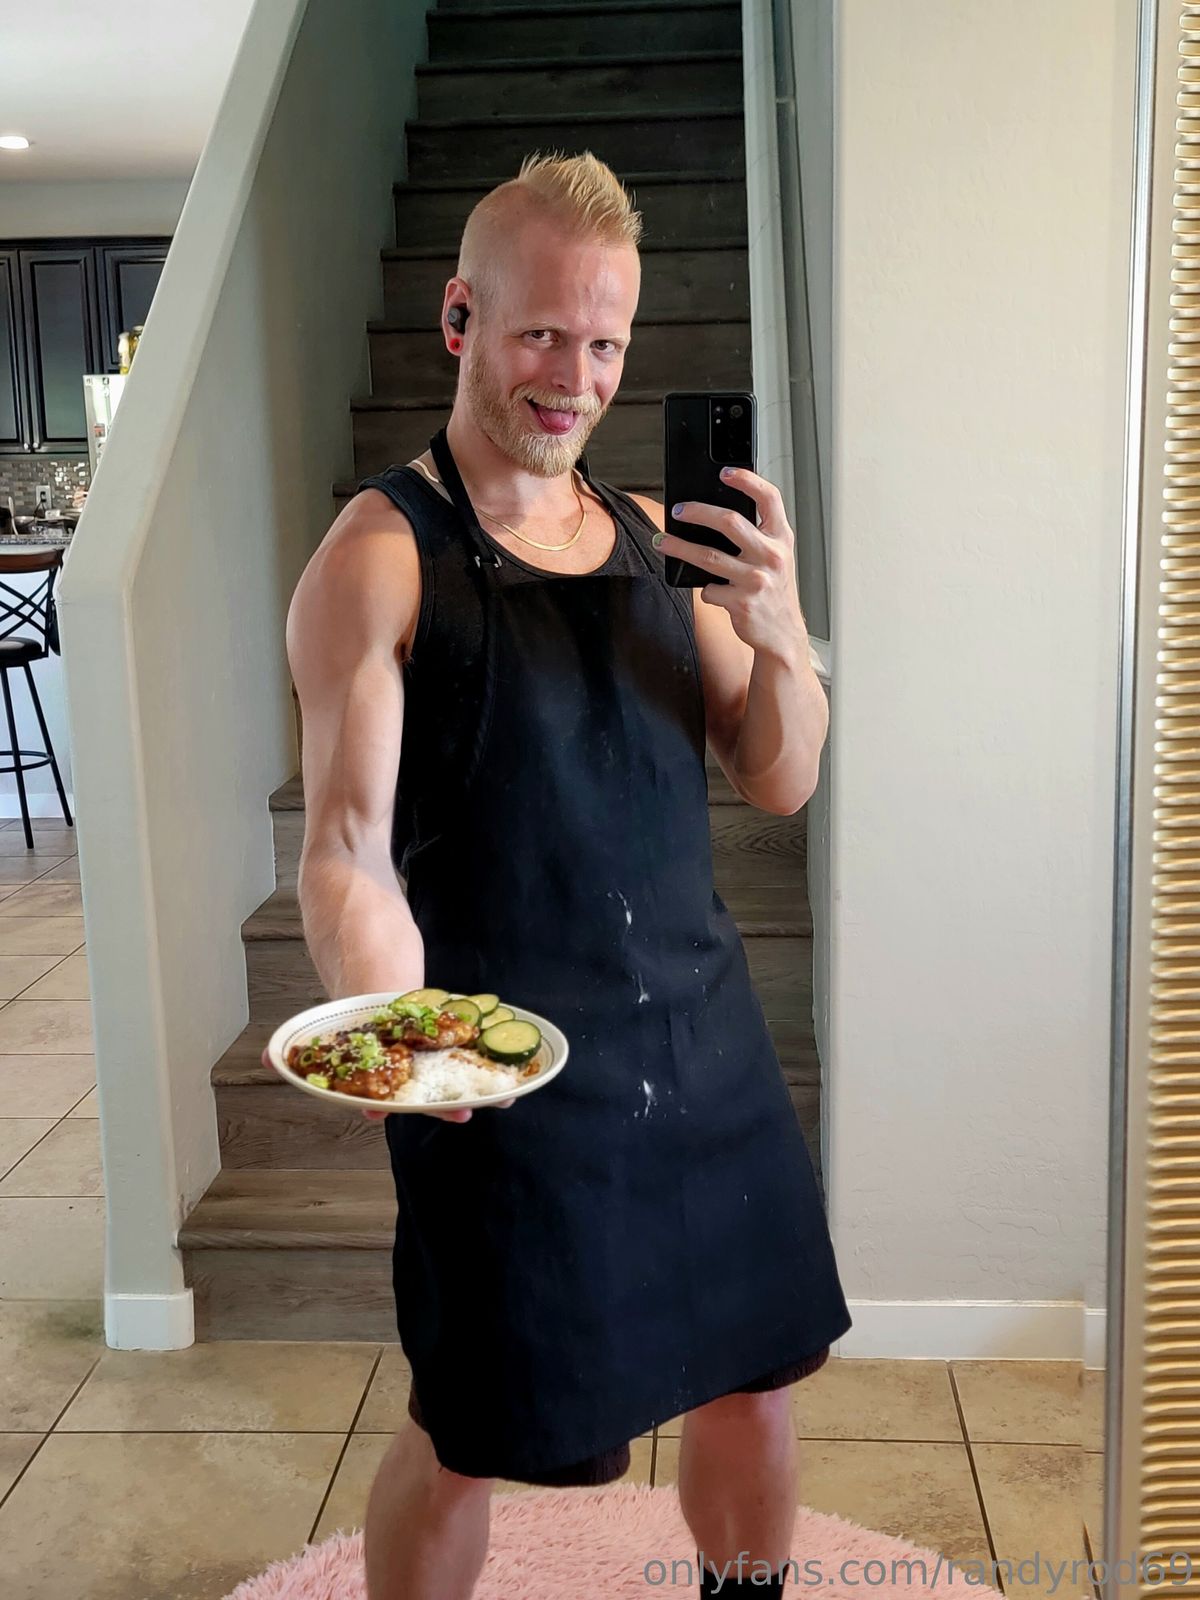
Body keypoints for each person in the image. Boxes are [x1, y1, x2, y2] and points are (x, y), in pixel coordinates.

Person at [284, 150, 852, 1600]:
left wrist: (784, 634)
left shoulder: (663, 543)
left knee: (753, 1382)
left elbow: (781, 777)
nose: (575, 379)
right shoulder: (380, 557)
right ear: (460, 318)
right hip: (506, 1076)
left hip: (703, 1051)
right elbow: (346, 853)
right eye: (542, 334)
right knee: (466, 1429)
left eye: (605, 345)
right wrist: (408, 1040)